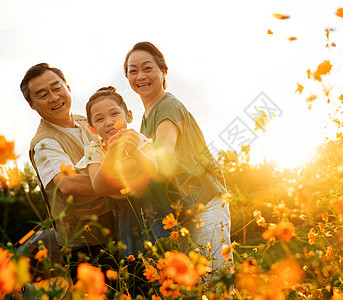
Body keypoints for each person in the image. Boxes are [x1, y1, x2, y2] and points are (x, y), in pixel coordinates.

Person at [123, 42, 233, 271]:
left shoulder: (167, 106)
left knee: (215, 281)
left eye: (147, 68)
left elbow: (162, 156)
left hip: (205, 204)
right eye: (133, 71)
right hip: (183, 213)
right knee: (197, 285)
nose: (140, 76)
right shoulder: (147, 117)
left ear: (163, 71)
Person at [20, 63, 119, 282]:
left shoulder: (87, 122)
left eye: (56, 88)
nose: (54, 97)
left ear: (68, 87)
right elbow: (68, 184)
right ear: (32, 105)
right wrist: (122, 185)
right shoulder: (44, 142)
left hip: (118, 229)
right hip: (87, 246)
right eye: (42, 94)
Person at [75, 86, 172, 257]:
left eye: (114, 114)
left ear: (128, 115)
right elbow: (98, 185)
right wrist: (112, 153)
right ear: (92, 129)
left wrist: (135, 151)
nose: (109, 121)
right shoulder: (94, 149)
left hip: (153, 203)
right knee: (134, 256)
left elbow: (154, 169)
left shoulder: (137, 138)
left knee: (164, 249)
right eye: (99, 119)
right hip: (123, 210)